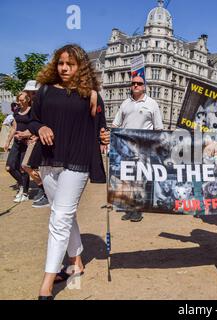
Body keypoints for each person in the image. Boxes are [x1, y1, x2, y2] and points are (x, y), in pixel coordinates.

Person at [28, 44, 108, 300]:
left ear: (80, 67)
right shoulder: (44, 91)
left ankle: (46, 284)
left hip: (78, 161)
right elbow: (32, 119)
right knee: (63, 214)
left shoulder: (92, 96)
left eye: (70, 64)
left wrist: (104, 136)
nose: (64, 68)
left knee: (60, 217)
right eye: (61, 63)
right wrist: (39, 128)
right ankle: (77, 262)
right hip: (48, 160)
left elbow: (101, 130)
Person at [112, 75, 164, 222]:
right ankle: (129, 208)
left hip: (143, 148)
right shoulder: (125, 104)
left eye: (139, 83)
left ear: (144, 86)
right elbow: (116, 125)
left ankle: (138, 210)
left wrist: (154, 147)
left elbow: (158, 128)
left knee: (139, 180)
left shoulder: (152, 104)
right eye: (133, 83)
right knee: (127, 179)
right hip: (125, 148)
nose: (136, 85)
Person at [15, 80, 50, 208]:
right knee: (28, 166)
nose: (31, 94)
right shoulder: (36, 104)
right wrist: (25, 134)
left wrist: (32, 135)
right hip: (35, 139)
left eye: (33, 92)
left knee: (32, 166)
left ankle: (46, 191)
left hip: (41, 140)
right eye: (30, 92)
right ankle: (44, 189)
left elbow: (43, 124)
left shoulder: (42, 104)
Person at [4, 92, 32, 203]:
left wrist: (26, 134)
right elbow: (14, 127)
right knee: (9, 167)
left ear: (28, 99)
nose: (20, 102)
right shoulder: (16, 112)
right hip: (16, 143)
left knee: (23, 168)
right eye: (19, 100)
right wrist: (7, 141)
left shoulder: (32, 111)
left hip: (27, 143)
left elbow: (34, 127)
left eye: (22, 100)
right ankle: (21, 185)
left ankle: (25, 193)